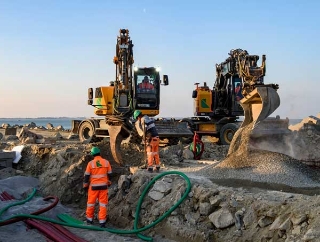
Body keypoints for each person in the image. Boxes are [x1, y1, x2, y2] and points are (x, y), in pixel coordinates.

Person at [83, 147, 112, 228]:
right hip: (103, 187)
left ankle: (89, 220)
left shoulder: (90, 163)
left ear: (92, 154)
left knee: (91, 203)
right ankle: (102, 222)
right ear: (100, 153)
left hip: (93, 188)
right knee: (103, 204)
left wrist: (85, 185)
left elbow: (87, 176)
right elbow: (110, 174)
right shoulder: (106, 162)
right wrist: (109, 182)